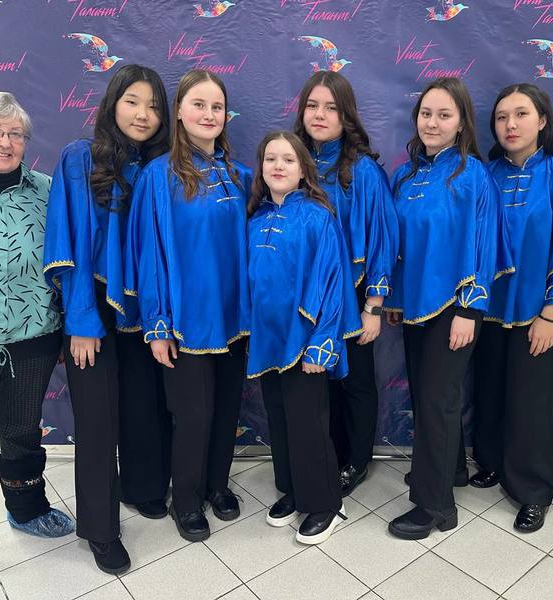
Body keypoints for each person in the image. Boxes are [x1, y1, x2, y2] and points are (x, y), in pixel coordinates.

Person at [43, 64, 172, 574]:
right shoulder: (81, 157)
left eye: (153, 106)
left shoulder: (161, 167)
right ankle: (100, 530)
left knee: (144, 404)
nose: (143, 114)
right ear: (112, 103)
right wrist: (80, 319)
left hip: (144, 307)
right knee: (97, 422)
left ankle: (142, 488)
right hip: (92, 302)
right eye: (132, 101)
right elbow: (70, 239)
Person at [0, 92, 75, 598]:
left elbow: (66, 264)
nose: (5, 142)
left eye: (15, 134)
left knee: (24, 431)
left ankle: (26, 508)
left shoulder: (48, 192)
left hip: (33, 340)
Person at [125, 69, 251, 543]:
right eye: (199, 104)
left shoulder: (241, 176)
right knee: (193, 414)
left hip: (236, 317)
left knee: (226, 408)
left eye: (217, 106)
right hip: (184, 320)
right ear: (178, 111)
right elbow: (149, 255)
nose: (209, 114)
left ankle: (217, 485)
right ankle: (186, 499)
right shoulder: (158, 176)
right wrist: (157, 325)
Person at [384, 77, 513, 540]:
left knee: (438, 403)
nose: (433, 123)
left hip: (454, 309)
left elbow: (484, 245)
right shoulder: (405, 175)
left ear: (461, 124)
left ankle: (435, 507)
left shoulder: (472, 174)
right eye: (426, 114)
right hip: (414, 308)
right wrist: (394, 301)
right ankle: (448, 471)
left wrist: (469, 310)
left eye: (444, 115)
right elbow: (398, 246)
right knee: (428, 400)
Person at [469, 84, 553, 532]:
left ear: (542, 121)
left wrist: (550, 312)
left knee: (530, 402)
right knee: (490, 390)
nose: (510, 125)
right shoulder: (485, 174)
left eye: (520, 114)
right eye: (501, 117)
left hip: (537, 313)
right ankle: (491, 462)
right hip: (485, 308)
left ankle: (534, 490)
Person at [247, 131, 359, 545]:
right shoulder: (254, 219)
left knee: (308, 422)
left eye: (288, 160)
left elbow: (332, 283)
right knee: (279, 419)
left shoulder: (317, 216)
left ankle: (326, 503)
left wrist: (322, 343)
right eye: (270, 159)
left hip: (305, 341)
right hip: (267, 341)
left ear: (303, 170)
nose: (278, 166)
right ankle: (294, 489)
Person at [294, 71, 398, 495]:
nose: (320, 115)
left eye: (331, 107)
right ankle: (326, 453)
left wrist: (373, 305)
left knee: (354, 380)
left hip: (352, 293)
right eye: (312, 105)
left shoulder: (363, 171)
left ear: (346, 115)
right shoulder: (291, 162)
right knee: (317, 379)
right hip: (304, 294)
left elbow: (382, 240)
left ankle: (355, 460)